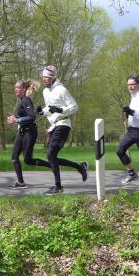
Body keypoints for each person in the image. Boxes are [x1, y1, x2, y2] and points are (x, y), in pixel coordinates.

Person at [39, 65, 88, 195]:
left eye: (46, 77)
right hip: (54, 125)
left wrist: (60, 109)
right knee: (52, 157)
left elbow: (74, 107)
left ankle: (58, 186)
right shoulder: (45, 91)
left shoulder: (62, 90)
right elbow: (49, 109)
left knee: (50, 155)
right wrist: (41, 112)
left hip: (63, 124)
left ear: (52, 77)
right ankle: (80, 167)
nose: (44, 79)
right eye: (43, 77)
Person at [6, 79, 51, 189]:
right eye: (15, 87)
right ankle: (21, 183)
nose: (15, 89)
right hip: (22, 132)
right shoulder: (21, 100)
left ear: (24, 89)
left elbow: (32, 117)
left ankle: (51, 165)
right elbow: (25, 116)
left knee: (28, 160)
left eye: (18, 87)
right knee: (14, 156)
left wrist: (17, 120)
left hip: (29, 132)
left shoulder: (26, 100)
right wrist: (15, 118)